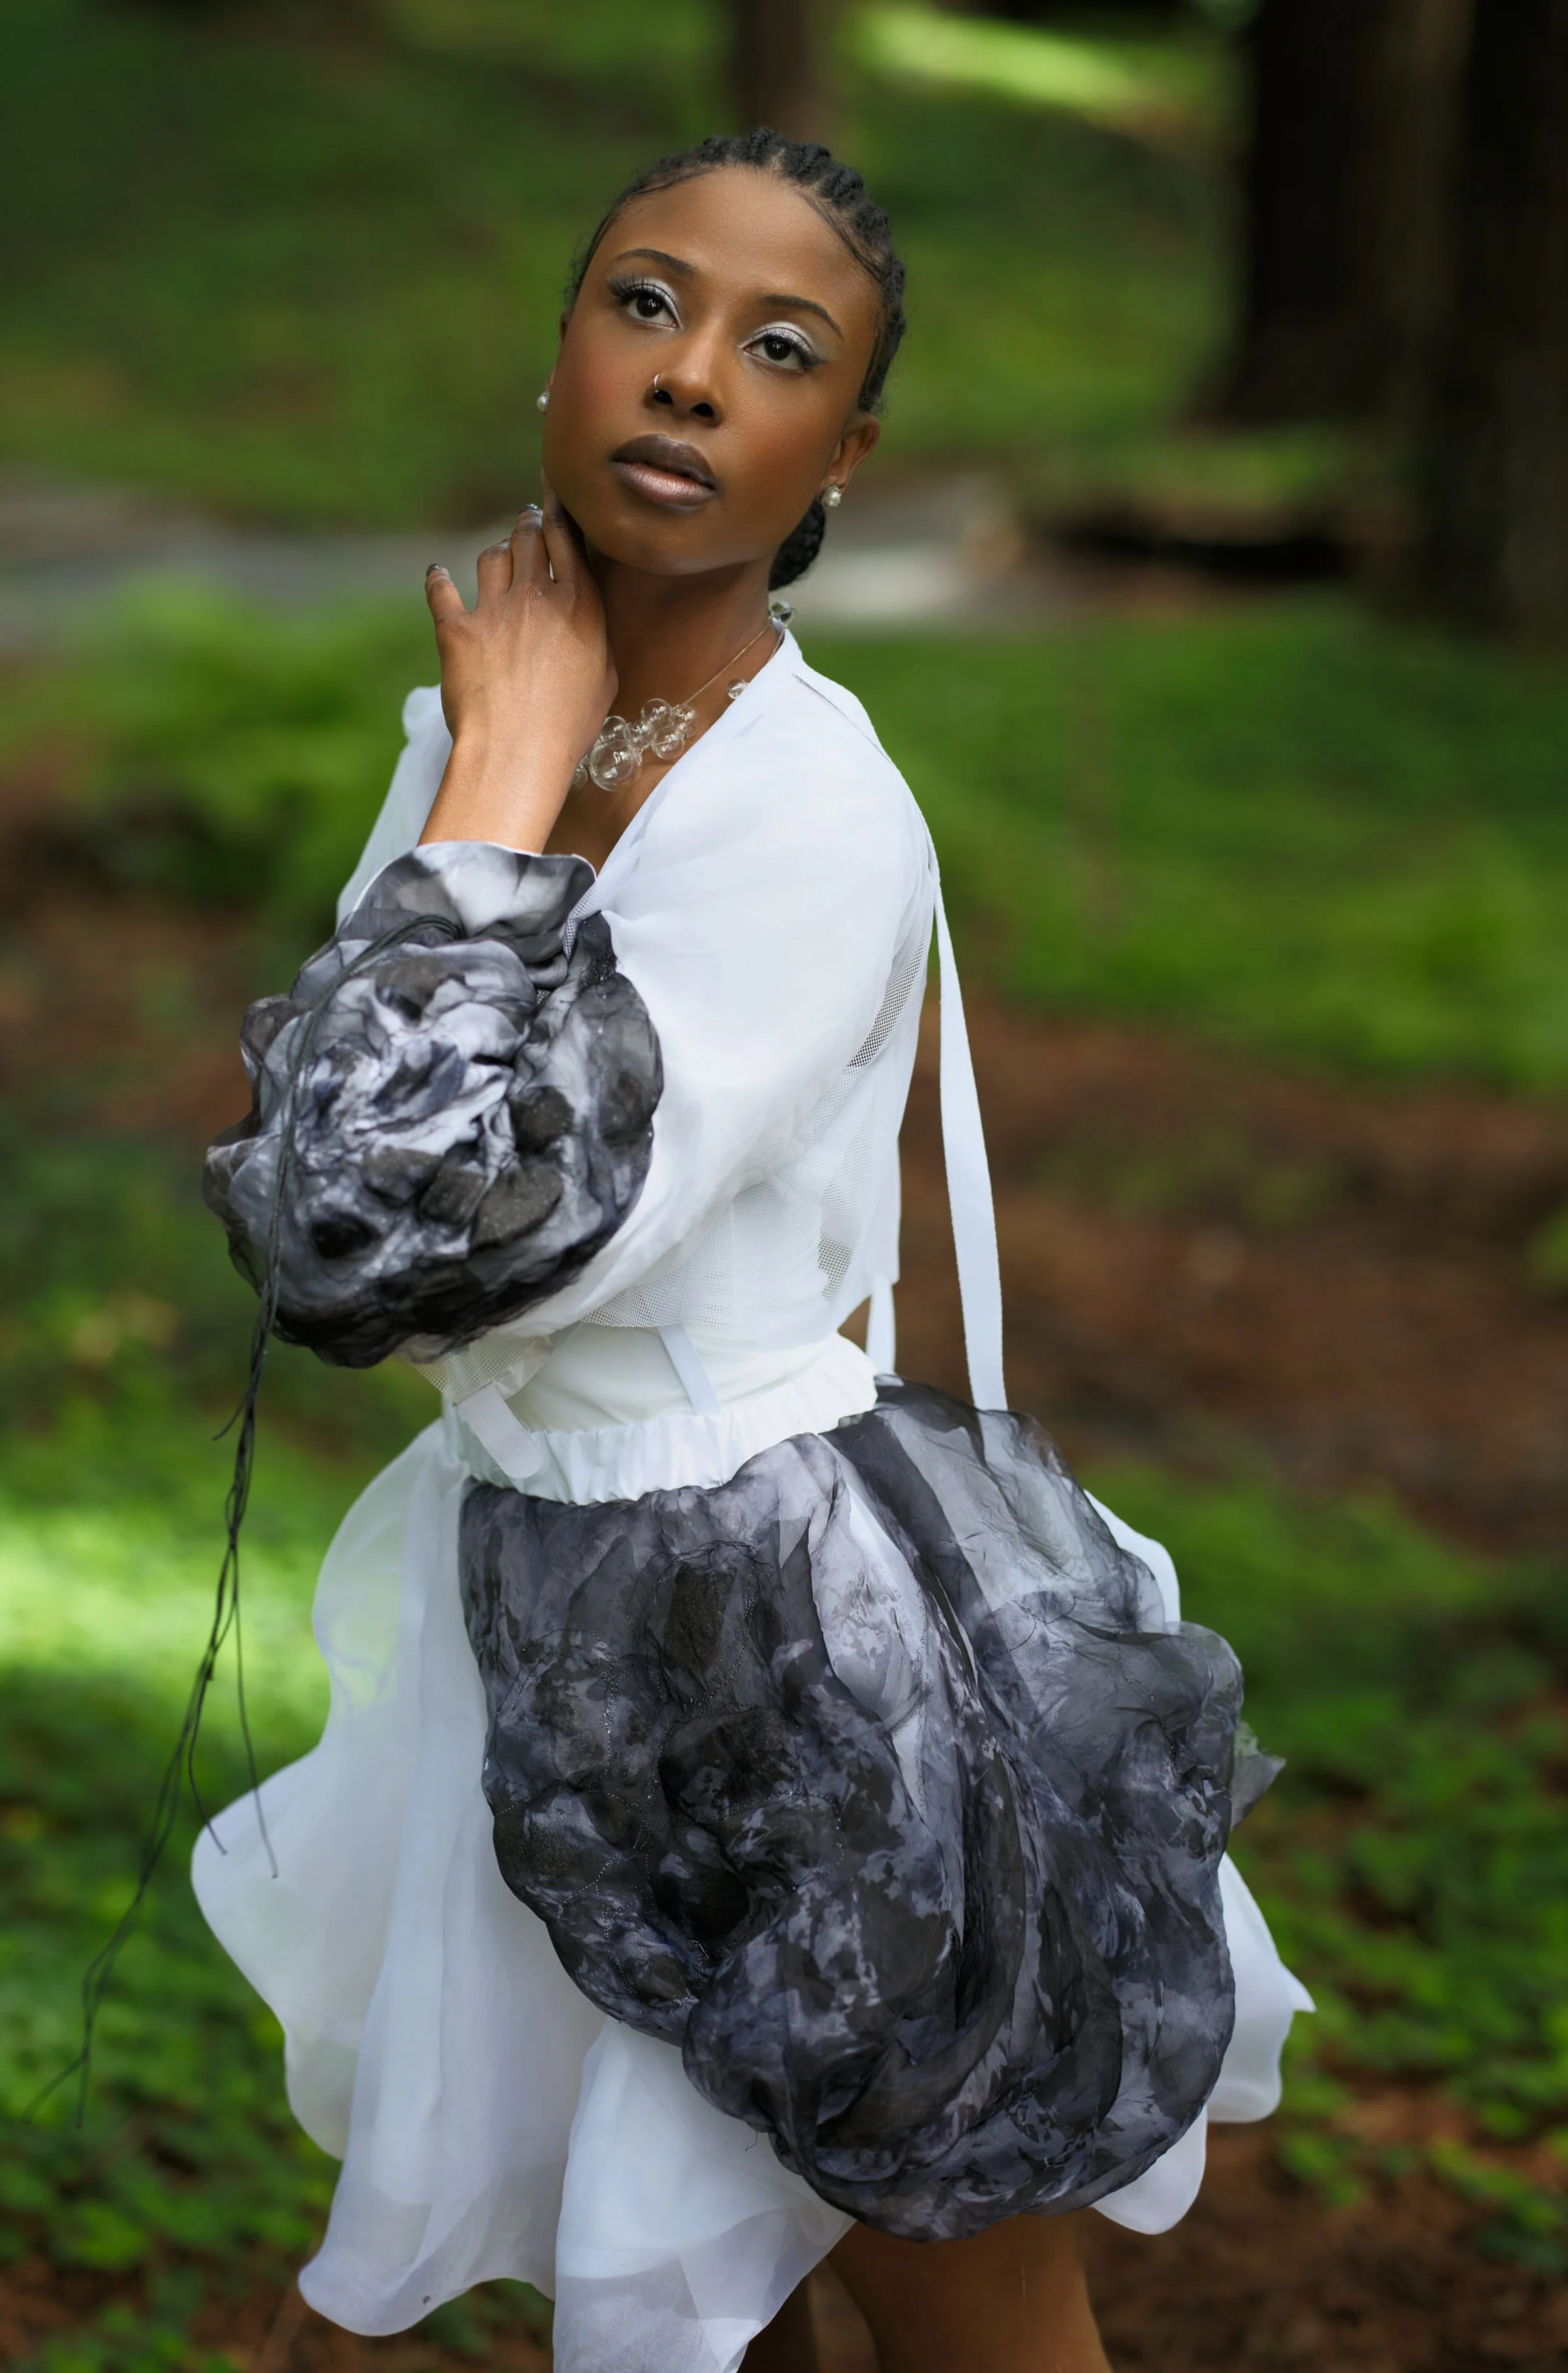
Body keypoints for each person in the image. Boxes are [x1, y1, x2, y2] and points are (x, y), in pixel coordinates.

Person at [194, 130, 1310, 2373]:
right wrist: (498, 772)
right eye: (645, 302)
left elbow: (388, 1241)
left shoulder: (801, 811)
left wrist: (490, 817)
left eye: (776, 349)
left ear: (842, 454)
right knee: (699, 2294)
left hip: (802, 1656)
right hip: (540, 1596)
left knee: (963, 2299)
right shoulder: (483, 729)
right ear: (557, 355)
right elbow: (342, 1184)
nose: (690, 374)